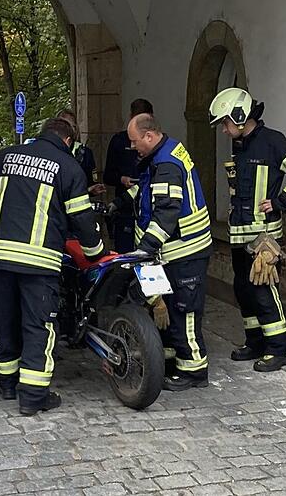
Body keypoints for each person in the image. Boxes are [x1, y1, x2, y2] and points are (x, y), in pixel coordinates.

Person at [0, 117, 107, 415]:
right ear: (68, 140)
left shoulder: (8, 156)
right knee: (38, 325)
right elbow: (81, 218)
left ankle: (6, 384)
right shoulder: (69, 167)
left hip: (0, 255)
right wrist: (95, 252)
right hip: (39, 260)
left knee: (3, 319)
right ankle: (33, 397)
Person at [208, 87, 286, 372]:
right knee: (244, 290)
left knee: (264, 290)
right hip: (239, 235)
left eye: (225, 123)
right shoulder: (240, 145)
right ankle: (255, 342)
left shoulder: (273, 142)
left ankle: (280, 349)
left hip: (263, 236)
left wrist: (280, 202)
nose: (224, 131)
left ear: (239, 116)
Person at [124, 113, 213, 391]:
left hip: (185, 252)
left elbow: (166, 212)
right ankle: (173, 360)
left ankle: (194, 372)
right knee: (169, 310)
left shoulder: (166, 165)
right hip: (175, 252)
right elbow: (146, 191)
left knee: (185, 312)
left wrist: (145, 249)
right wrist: (119, 203)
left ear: (149, 136)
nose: (133, 147)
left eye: (135, 141)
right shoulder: (162, 155)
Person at [104, 99, 152, 252]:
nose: (135, 146)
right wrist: (121, 179)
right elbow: (107, 176)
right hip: (124, 209)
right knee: (124, 254)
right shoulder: (119, 141)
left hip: (148, 209)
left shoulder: (157, 146)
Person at [56, 108, 104, 197]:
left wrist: (91, 190)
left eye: (72, 126)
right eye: (64, 126)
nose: (69, 130)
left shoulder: (85, 153)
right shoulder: (49, 151)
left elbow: (91, 183)